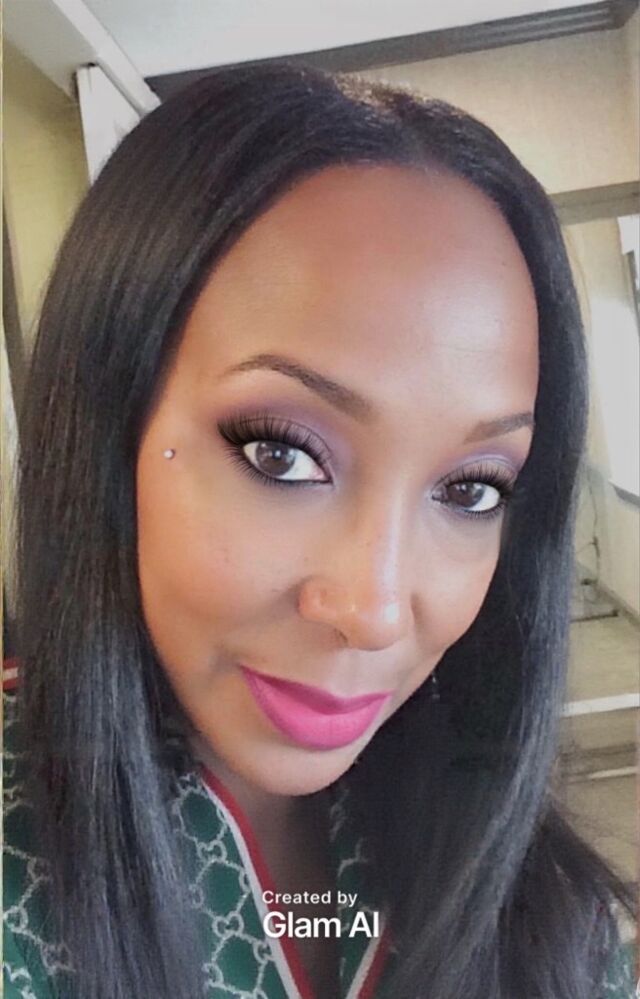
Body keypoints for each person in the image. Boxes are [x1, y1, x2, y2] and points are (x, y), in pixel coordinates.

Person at [2, 63, 636, 999]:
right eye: (282, 455)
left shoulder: (545, 908)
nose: (374, 610)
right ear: (105, 427)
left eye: (470, 488)